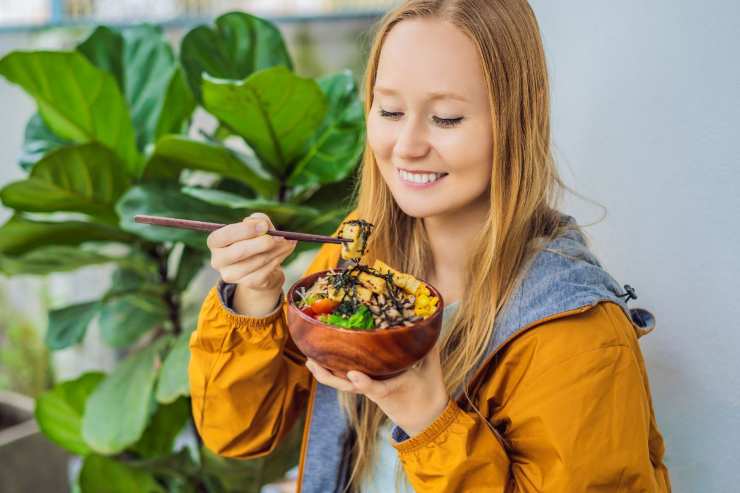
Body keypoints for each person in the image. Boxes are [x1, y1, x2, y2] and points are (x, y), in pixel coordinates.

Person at [188, 0, 672, 491]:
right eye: (391, 110)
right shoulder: (359, 262)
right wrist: (253, 297)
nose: (406, 145)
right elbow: (238, 433)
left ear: (514, 123)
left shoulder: (578, 335)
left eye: (445, 118)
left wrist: (427, 417)